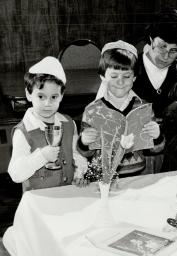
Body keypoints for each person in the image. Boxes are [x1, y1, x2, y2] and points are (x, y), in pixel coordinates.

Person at [77, 40, 160, 179]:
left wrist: (157, 136)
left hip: (138, 176)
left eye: (126, 76)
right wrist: (83, 142)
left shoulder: (142, 107)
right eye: (114, 76)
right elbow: (85, 153)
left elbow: (153, 149)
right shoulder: (92, 110)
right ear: (103, 77)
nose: (120, 82)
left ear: (134, 77)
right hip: (105, 180)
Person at [7, 56, 88, 192]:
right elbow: (15, 173)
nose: (47, 104)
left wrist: (79, 174)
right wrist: (41, 156)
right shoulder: (23, 131)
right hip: (39, 200)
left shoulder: (69, 124)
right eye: (41, 96)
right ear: (28, 94)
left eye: (54, 97)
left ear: (62, 95)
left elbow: (76, 154)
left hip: (67, 194)